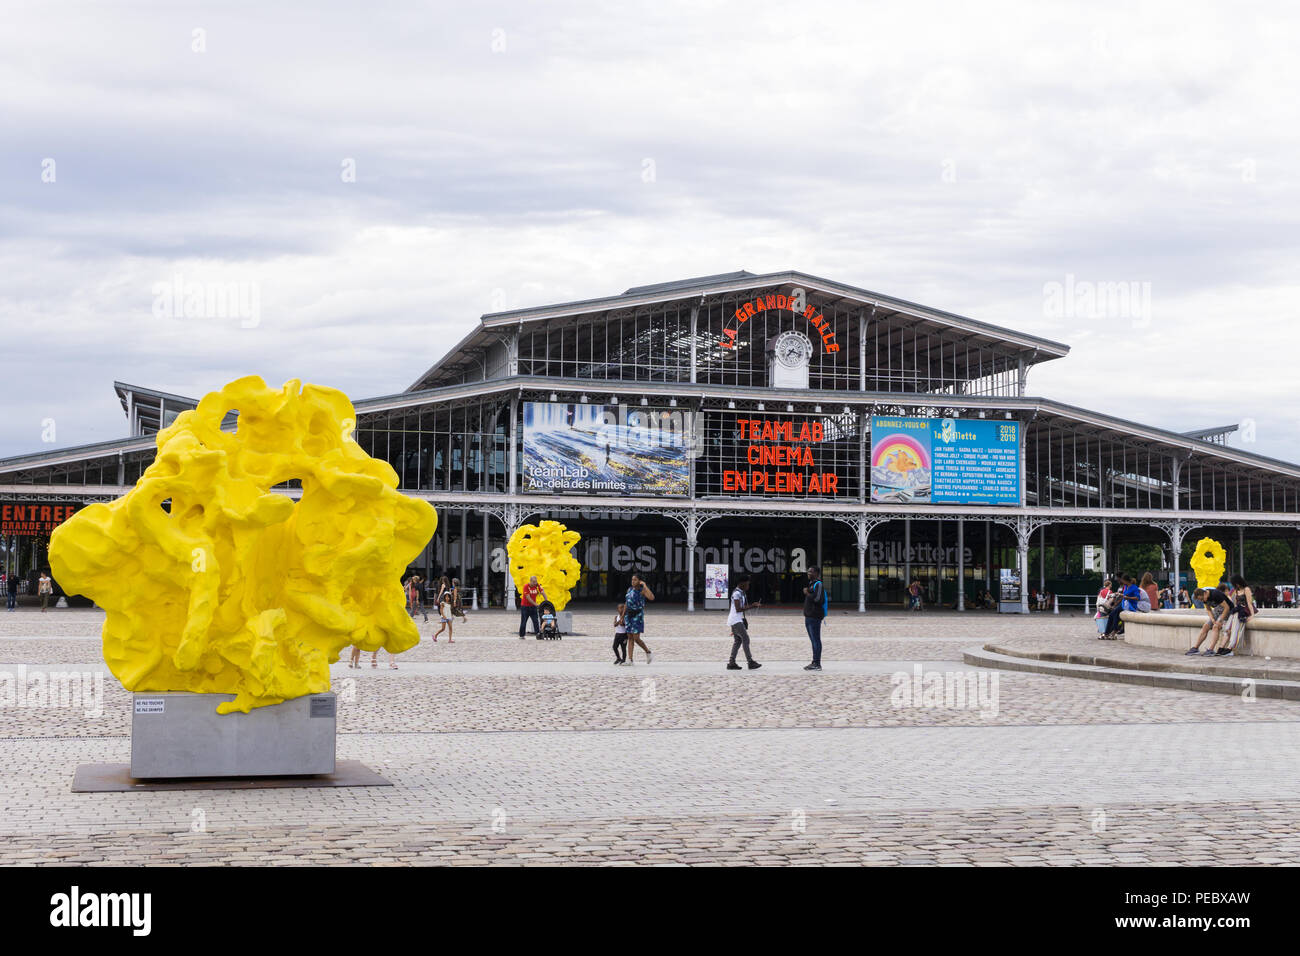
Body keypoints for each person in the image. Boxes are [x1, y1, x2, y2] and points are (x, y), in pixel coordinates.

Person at [1212, 575, 1256, 657]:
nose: (1235, 586)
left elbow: (1249, 603)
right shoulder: (1236, 590)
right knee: (1228, 628)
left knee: (1235, 628)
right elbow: (1235, 603)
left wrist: (1252, 615)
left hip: (1243, 612)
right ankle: (1222, 647)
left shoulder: (1247, 589)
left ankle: (1229, 648)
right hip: (1237, 611)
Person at [1186, 584, 1235, 655]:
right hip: (1217, 611)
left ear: (1205, 593)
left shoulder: (1215, 594)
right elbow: (1208, 610)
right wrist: (1212, 619)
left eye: (1202, 599)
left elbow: (1227, 607)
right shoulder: (1204, 597)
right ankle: (1195, 648)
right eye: (1201, 600)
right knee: (1205, 626)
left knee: (1216, 626)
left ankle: (1211, 649)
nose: (1203, 601)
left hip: (1227, 611)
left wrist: (1220, 620)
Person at [726, 573, 762, 670]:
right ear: (742, 583)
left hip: (736, 620)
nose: (748, 586)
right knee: (745, 639)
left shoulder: (741, 592)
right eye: (747, 584)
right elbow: (738, 609)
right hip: (735, 620)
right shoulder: (736, 593)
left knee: (738, 641)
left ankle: (731, 662)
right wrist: (752, 606)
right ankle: (750, 662)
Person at [624, 574, 654, 663]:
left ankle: (648, 652)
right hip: (628, 616)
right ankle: (630, 659)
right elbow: (626, 603)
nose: (633, 581)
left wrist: (644, 585)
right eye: (632, 579)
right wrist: (622, 616)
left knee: (636, 638)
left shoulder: (642, 591)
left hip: (637, 616)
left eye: (635, 580)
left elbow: (652, 597)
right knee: (630, 637)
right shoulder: (629, 589)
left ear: (639, 581)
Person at [802, 565, 826, 671]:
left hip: (814, 617)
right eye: (808, 571)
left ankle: (817, 663)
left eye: (810, 572)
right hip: (809, 617)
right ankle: (814, 661)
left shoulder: (818, 584)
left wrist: (807, 593)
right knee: (813, 640)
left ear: (816, 573)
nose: (808, 573)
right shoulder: (812, 584)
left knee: (816, 640)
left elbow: (818, 599)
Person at [518, 574, 545, 639]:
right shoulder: (526, 586)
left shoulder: (537, 585)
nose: (535, 583)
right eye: (533, 582)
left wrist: (546, 601)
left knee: (535, 621)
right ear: (530, 581)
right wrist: (536, 604)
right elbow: (528, 597)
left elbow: (543, 592)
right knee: (524, 621)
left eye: (536, 581)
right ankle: (522, 635)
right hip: (525, 607)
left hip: (533, 607)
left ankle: (538, 635)